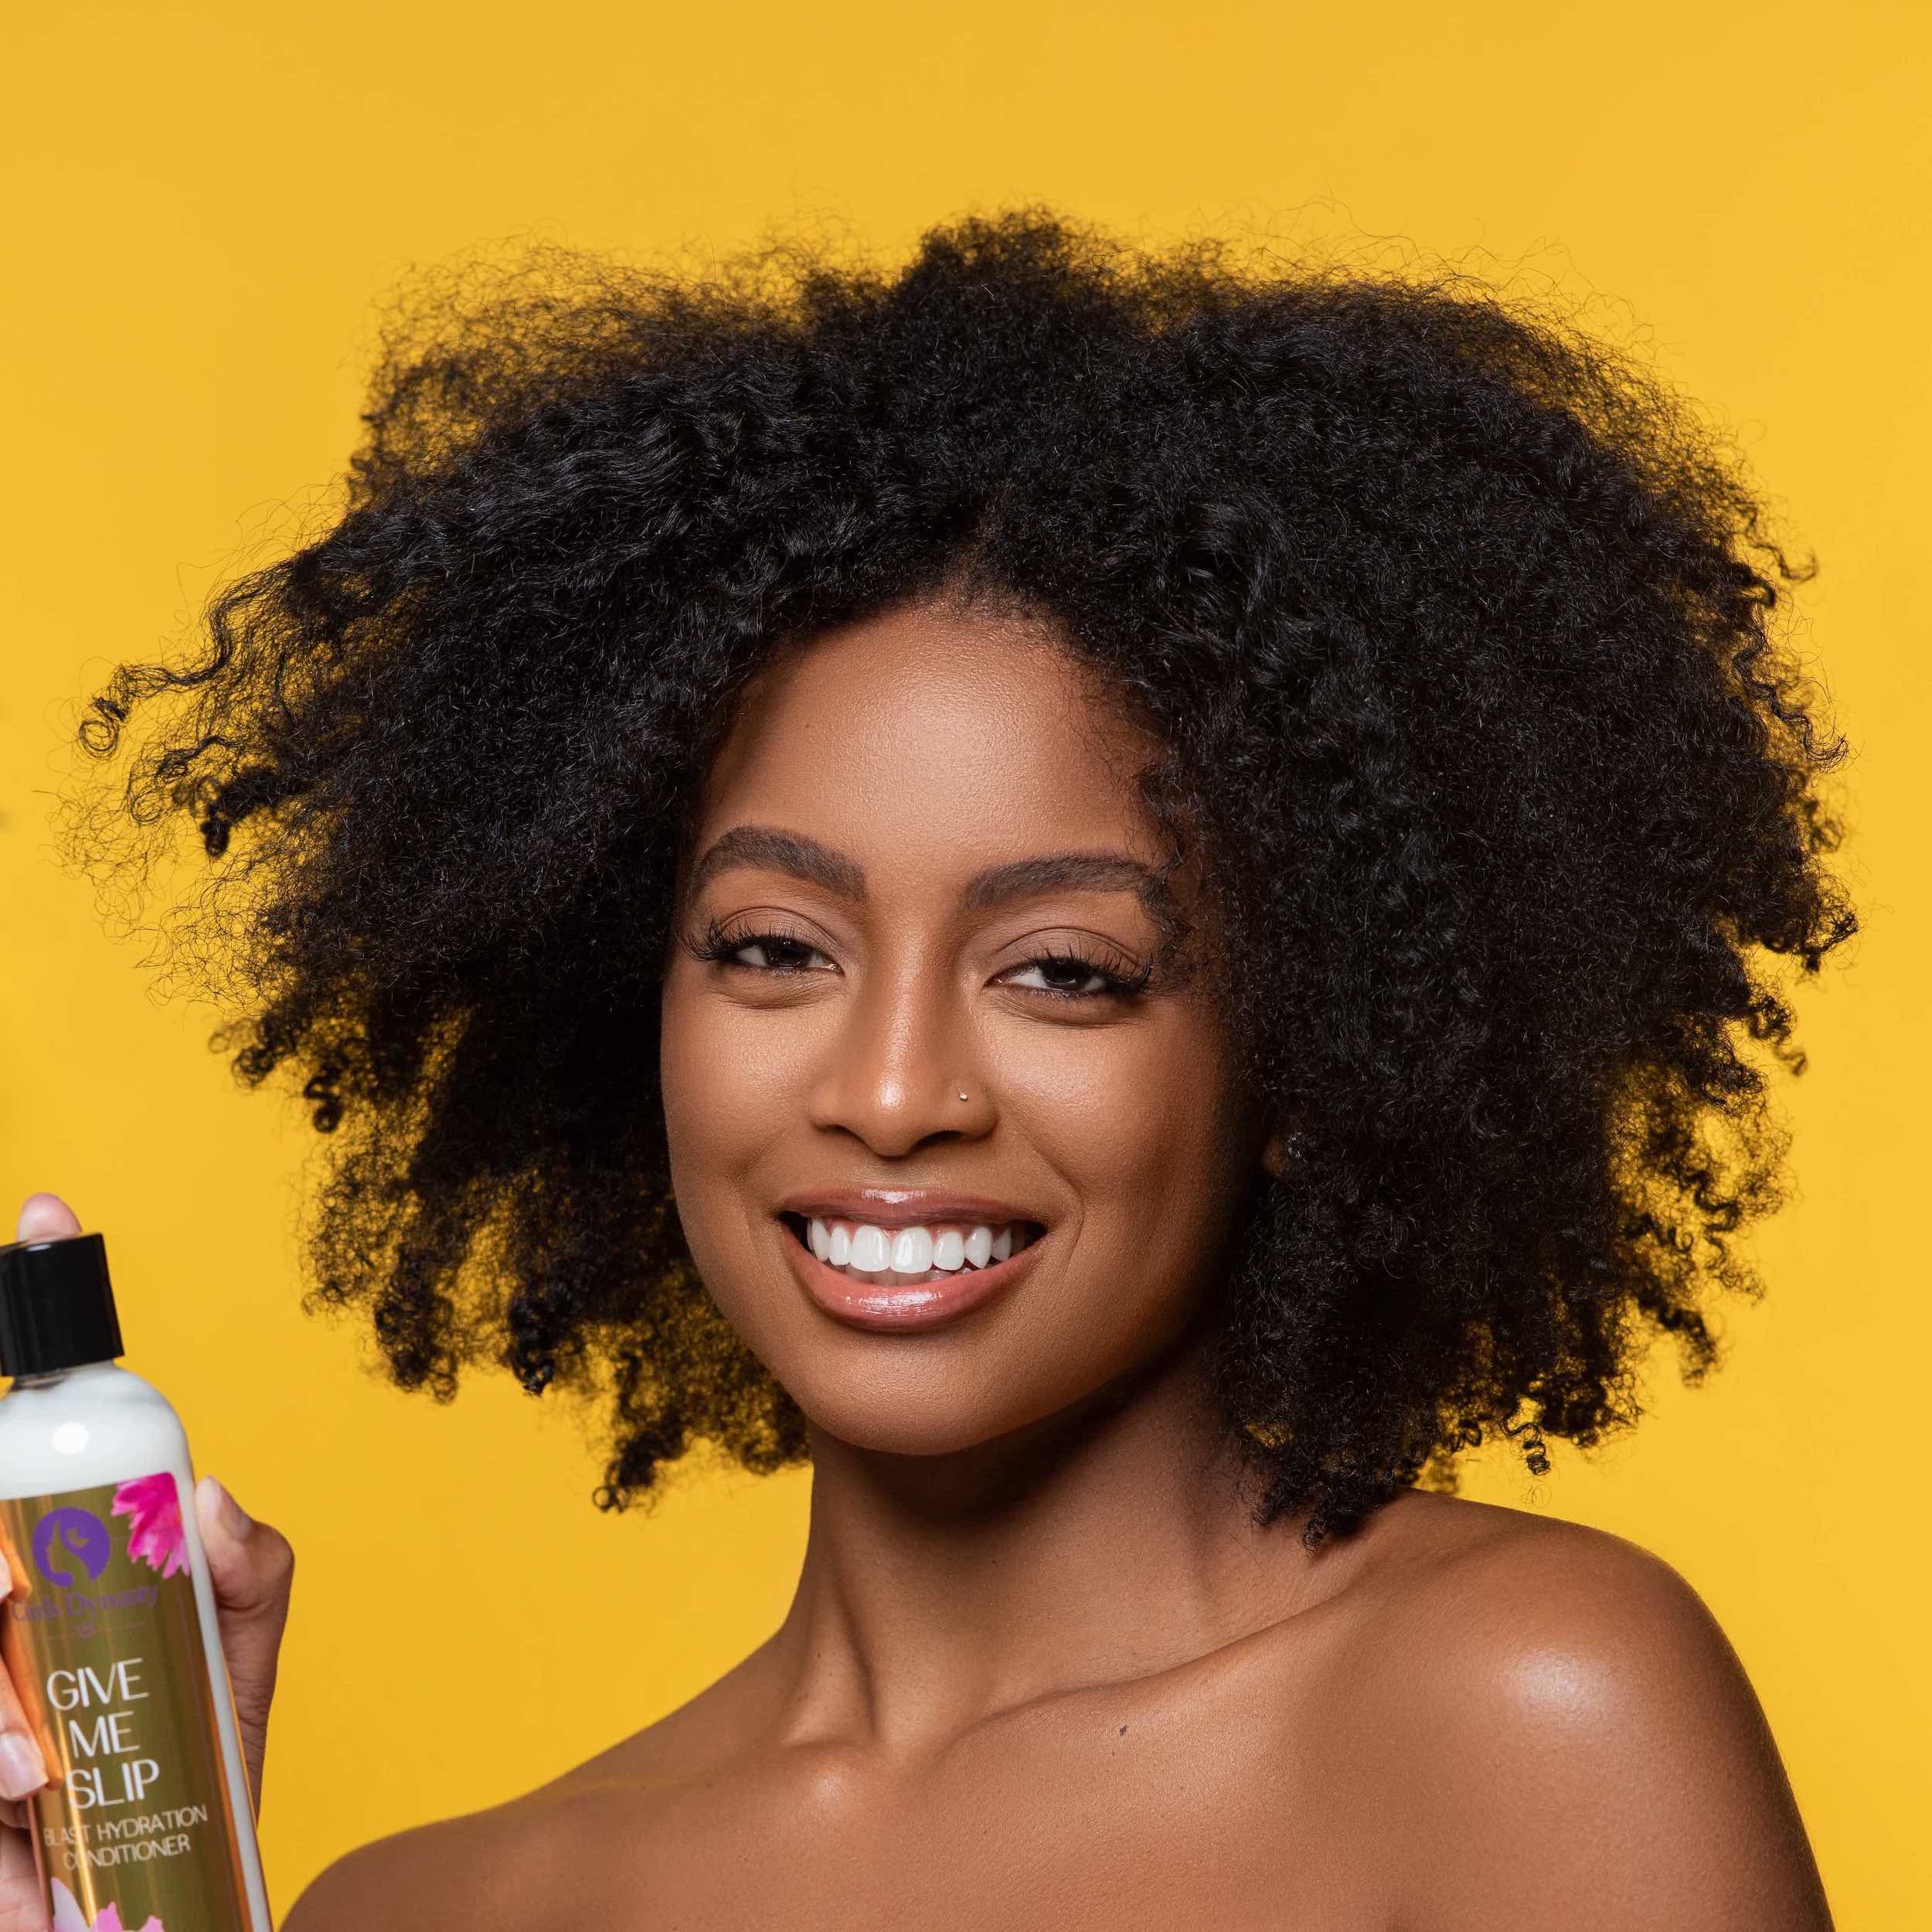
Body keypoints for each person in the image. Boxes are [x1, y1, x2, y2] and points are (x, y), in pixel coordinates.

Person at [23, 209, 1850, 1927]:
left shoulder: (1520, 1715)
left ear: (1308, 1046)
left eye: (1063, 971)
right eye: (771, 948)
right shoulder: (426, 1908)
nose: (892, 1093)